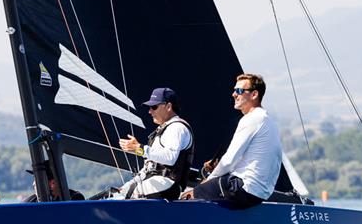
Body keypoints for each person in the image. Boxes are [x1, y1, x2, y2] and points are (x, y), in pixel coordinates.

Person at [180, 73, 281, 208]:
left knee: (189, 194)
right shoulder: (266, 119)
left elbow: (229, 160)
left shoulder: (252, 118)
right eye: (234, 90)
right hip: (259, 193)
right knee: (207, 188)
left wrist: (208, 181)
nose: (234, 94)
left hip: (243, 188)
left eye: (239, 91)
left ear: (254, 95)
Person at [116, 87, 194, 200]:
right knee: (115, 195)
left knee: (121, 199)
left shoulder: (177, 128)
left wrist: (141, 148)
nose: (150, 111)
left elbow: (170, 157)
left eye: (154, 107)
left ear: (168, 107)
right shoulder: (163, 130)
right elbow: (150, 165)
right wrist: (125, 188)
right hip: (154, 181)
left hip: (167, 184)